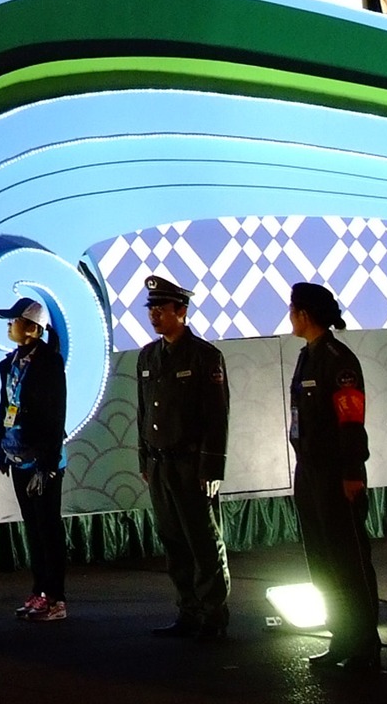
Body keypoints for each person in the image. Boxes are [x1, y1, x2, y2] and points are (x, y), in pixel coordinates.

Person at [288, 282, 380, 673]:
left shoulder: (337, 359)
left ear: (305, 315)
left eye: (292, 310)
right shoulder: (306, 357)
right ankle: (341, 638)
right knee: (322, 562)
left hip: (335, 474)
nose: (290, 316)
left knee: (348, 561)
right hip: (310, 473)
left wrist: (351, 472)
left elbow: (350, 420)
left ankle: (364, 646)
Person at [136, 274, 232, 639]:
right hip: (160, 464)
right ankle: (188, 610)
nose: (154, 315)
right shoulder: (148, 356)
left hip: (192, 465)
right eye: (151, 309)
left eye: (161, 308)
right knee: (173, 540)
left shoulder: (206, 356)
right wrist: (144, 460)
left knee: (203, 541)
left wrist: (212, 467)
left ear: (182, 311)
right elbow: (144, 412)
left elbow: (216, 417)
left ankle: (213, 614)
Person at [0, 295, 69, 621]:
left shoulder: (49, 363)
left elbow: (56, 414)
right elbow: (5, 405)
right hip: (17, 454)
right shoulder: (9, 363)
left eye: (14, 320)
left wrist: (48, 463)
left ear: (33, 329)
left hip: (43, 459)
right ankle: (39, 591)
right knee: (33, 529)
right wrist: (1, 445)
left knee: (48, 527)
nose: (9, 325)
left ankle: (56, 598)